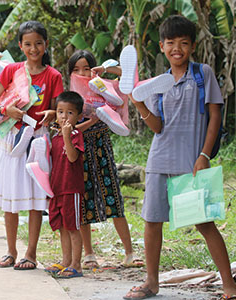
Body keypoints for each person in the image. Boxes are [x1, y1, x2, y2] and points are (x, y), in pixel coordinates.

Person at [123, 15, 236, 299]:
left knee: (204, 223)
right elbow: (157, 127)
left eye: (183, 43)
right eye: (170, 43)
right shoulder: (155, 85)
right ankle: (151, 282)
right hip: (159, 160)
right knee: (151, 221)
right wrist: (138, 102)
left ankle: (229, 285)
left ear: (192, 46)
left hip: (192, 162)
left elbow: (214, 115)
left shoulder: (202, 74)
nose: (177, 49)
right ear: (161, 46)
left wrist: (204, 155)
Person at [0, 20, 63, 270]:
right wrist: (4, 109)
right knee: (11, 196)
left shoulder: (54, 76)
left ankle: (31, 253)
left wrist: (52, 112)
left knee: (34, 198)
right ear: (20, 45)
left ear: (46, 44)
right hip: (11, 137)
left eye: (38, 43)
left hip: (37, 138)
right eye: (28, 44)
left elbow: (59, 107)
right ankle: (10, 251)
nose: (33, 48)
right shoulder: (11, 71)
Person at [67, 50, 142, 270]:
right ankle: (88, 254)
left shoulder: (104, 86)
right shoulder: (70, 95)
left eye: (86, 68)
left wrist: (104, 70)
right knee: (84, 200)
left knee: (114, 198)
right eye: (76, 69)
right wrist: (92, 120)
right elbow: (67, 128)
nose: (82, 73)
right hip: (80, 148)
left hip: (102, 146)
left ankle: (129, 252)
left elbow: (128, 77)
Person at [44, 91, 85, 278]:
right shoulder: (55, 137)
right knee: (62, 227)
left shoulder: (75, 134)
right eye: (60, 112)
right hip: (57, 188)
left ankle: (76, 264)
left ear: (78, 116)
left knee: (72, 227)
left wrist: (68, 136)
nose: (64, 117)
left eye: (69, 113)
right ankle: (65, 261)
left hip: (71, 189)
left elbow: (72, 156)